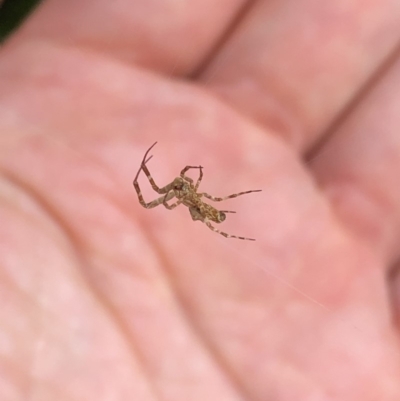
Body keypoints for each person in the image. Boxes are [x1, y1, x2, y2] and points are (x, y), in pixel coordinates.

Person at [0, 1, 399, 400]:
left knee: (218, 205)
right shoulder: (184, 198)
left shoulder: (190, 194)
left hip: (206, 204)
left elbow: (181, 188)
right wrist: (155, 174)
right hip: (201, 207)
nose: (180, 185)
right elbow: (157, 195)